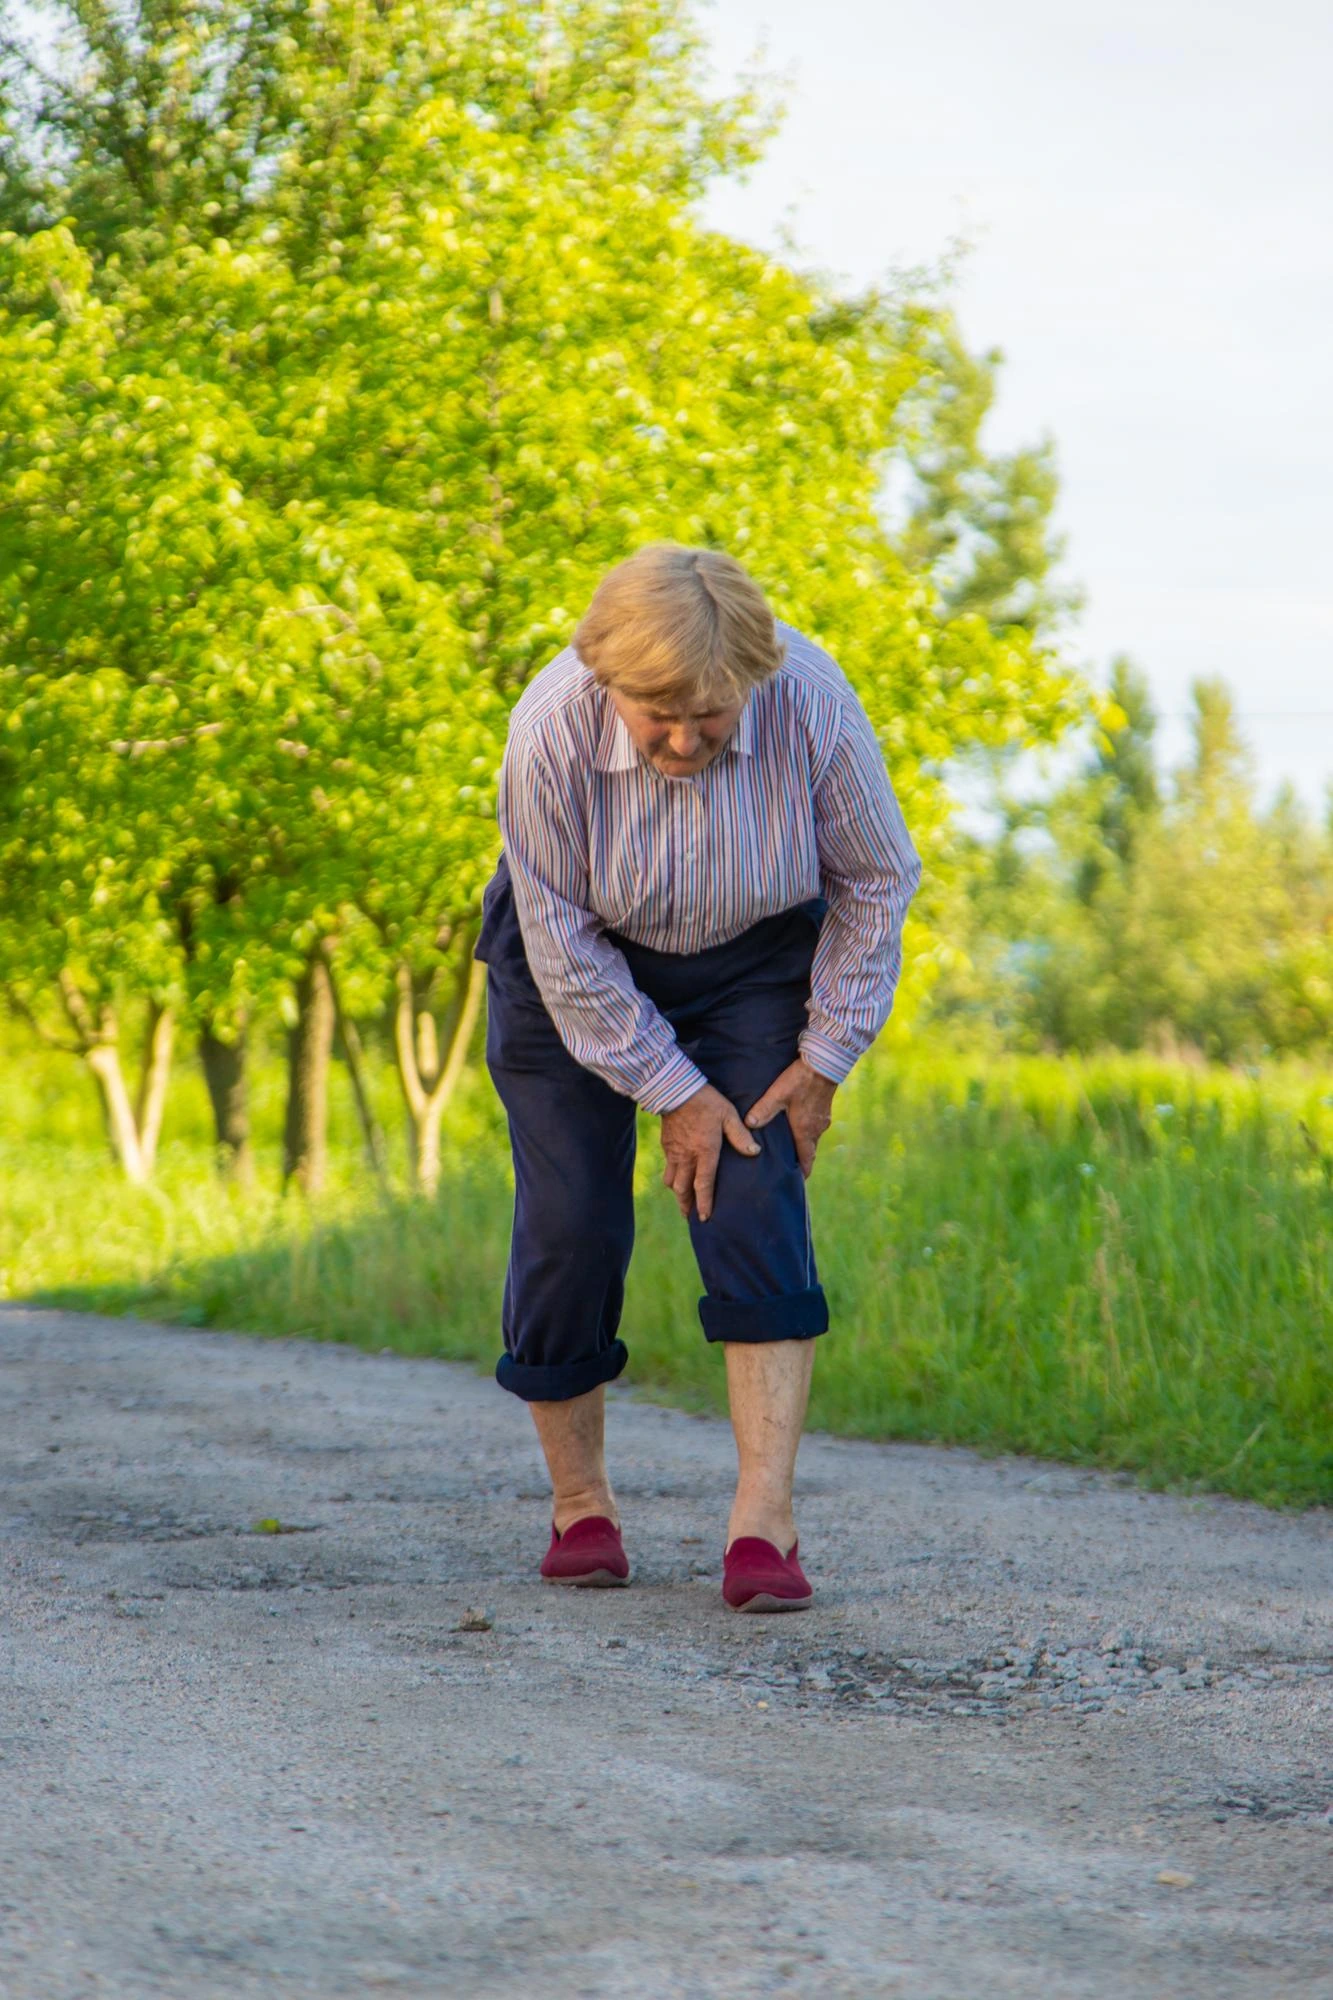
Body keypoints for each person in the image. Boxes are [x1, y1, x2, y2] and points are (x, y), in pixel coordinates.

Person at [475, 544, 921, 1611]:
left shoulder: (811, 703)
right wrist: (669, 1087)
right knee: (571, 1220)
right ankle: (581, 1502)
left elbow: (876, 877)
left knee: (753, 1190)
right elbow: (562, 941)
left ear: (751, 684)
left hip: (751, 959)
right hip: (568, 968)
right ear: (608, 683)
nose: (683, 738)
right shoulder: (548, 727)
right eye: (656, 712)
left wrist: (823, 1057)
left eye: (709, 715)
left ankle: (762, 1523)